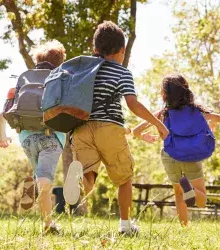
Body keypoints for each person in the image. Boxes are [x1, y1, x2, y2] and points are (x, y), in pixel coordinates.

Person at [62, 21, 169, 235]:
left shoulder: (83, 71)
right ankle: (125, 225)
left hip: (81, 128)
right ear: (122, 51)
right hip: (110, 128)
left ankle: (79, 180)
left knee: (89, 178)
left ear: (95, 49)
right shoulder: (122, 73)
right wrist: (158, 124)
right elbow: (133, 104)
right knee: (124, 178)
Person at [132, 75, 220, 226]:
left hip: (170, 156)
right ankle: (192, 192)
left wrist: (144, 136)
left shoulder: (163, 113)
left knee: (179, 192)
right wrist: (212, 123)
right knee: (201, 201)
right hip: (191, 156)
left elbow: (136, 131)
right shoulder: (197, 111)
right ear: (186, 90)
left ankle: (184, 227)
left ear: (165, 94)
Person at [0, 40, 67, 233]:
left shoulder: (23, 80)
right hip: (52, 137)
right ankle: (39, 184)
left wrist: (2, 136)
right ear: (61, 61)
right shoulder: (61, 78)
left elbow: (4, 112)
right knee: (46, 179)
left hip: (26, 138)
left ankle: (48, 224)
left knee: (42, 176)